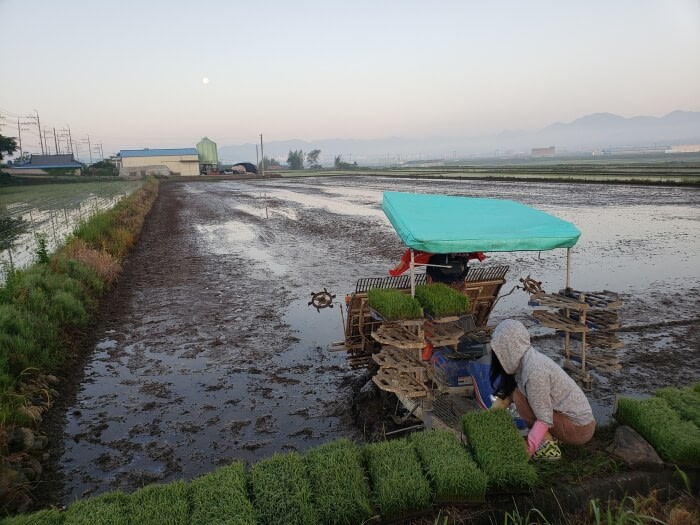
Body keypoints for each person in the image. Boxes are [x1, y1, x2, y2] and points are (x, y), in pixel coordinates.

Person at [489, 319, 596, 460]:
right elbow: (506, 396)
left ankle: (548, 448)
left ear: (509, 349)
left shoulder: (534, 371)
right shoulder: (526, 359)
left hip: (579, 428)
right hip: (571, 421)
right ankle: (548, 438)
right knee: (515, 392)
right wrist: (487, 417)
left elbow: (544, 418)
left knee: (520, 398)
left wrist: (528, 448)